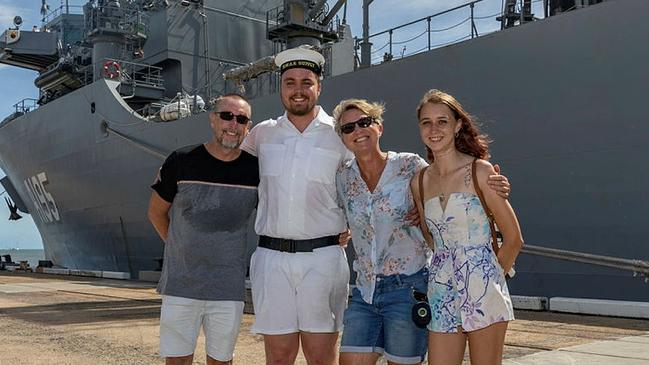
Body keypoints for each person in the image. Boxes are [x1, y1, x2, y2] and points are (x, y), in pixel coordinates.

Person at [333, 99, 512, 365]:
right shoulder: (343, 176)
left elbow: (451, 184)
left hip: (408, 288)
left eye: (364, 122)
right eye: (348, 128)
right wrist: (338, 233)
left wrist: (496, 184)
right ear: (342, 137)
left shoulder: (410, 167)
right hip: (368, 288)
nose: (357, 130)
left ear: (379, 127)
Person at [240, 46, 351, 365]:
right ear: (281, 88)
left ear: (319, 87)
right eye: (290, 82)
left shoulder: (340, 135)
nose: (298, 90)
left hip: (323, 259)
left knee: (321, 357)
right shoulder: (262, 134)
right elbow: (227, 167)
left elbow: (363, 185)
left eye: (306, 81)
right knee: (278, 356)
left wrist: (355, 225)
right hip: (271, 260)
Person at [410, 89, 523, 365]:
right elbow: (431, 238)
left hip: (482, 287)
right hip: (441, 288)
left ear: (458, 125)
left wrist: (489, 280)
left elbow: (514, 238)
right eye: (426, 122)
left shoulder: (481, 172)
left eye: (442, 121)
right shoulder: (419, 181)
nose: (434, 129)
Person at [147, 94, 259, 365]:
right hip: (181, 286)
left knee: (222, 361)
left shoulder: (255, 170)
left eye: (241, 119)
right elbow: (156, 213)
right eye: (226, 116)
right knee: (177, 361)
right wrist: (180, 248)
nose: (233, 124)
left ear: (248, 126)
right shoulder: (181, 160)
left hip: (227, 289)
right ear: (212, 119)